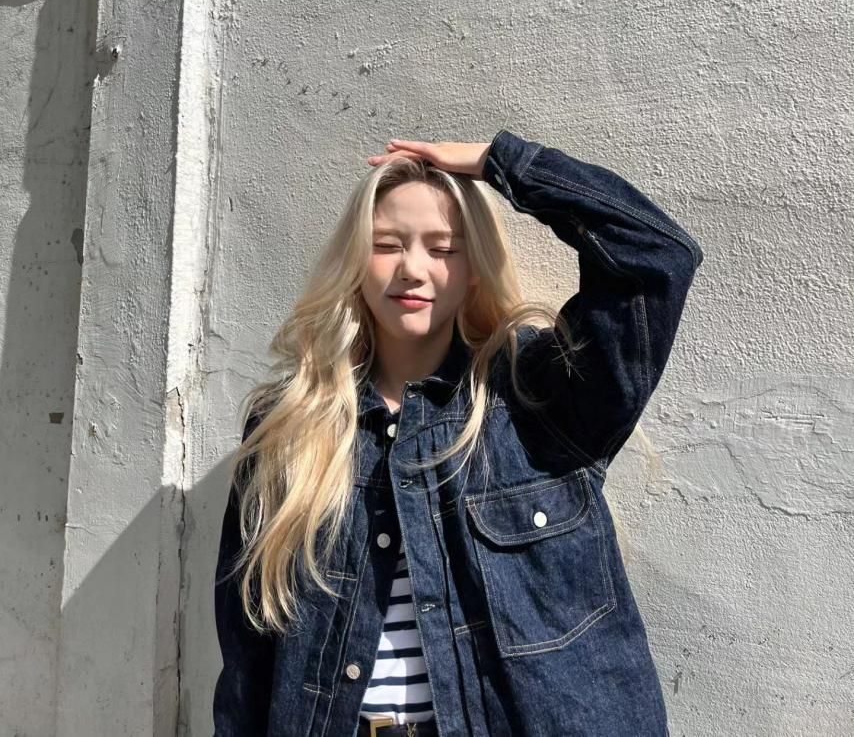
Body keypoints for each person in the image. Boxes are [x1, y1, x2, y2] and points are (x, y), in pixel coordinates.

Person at [212, 128, 703, 737]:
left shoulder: (539, 399)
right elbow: (247, 657)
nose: (412, 270)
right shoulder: (290, 425)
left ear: (473, 267)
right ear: (356, 261)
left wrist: (499, 163)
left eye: (442, 248)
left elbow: (656, 257)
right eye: (386, 245)